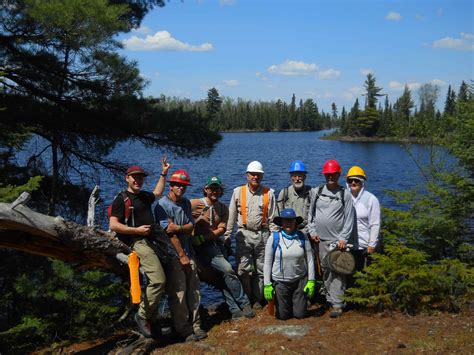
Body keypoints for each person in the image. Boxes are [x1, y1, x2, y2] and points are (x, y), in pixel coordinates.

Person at [109, 158, 169, 338]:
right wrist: (136, 230)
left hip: (153, 241)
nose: (137, 180)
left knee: (165, 277)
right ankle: (142, 316)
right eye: (134, 177)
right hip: (137, 242)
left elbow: (157, 192)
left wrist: (163, 173)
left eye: (140, 177)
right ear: (127, 178)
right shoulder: (121, 199)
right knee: (158, 280)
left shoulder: (143, 196)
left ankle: (153, 321)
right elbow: (113, 225)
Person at [191, 176, 255, 320]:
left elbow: (221, 230)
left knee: (226, 271)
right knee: (223, 274)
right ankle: (239, 306)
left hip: (210, 246)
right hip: (194, 248)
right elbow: (180, 212)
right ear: (205, 190)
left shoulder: (222, 208)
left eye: (217, 189)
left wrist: (203, 238)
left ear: (221, 191)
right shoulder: (194, 204)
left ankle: (240, 306)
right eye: (211, 188)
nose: (214, 191)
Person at [153, 169, 206, 342]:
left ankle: (196, 324)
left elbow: (190, 227)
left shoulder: (185, 203)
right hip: (174, 256)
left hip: (189, 252)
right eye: (177, 185)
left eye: (184, 185)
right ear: (171, 185)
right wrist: (182, 255)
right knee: (179, 292)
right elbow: (170, 233)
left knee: (194, 290)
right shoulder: (162, 206)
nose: (181, 188)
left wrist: (180, 227)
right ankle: (183, 329)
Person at [225, 160, 278, 309]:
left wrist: (274, 238)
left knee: (262, 270)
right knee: (243, 270)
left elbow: (273, 219)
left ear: (262, 176)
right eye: (252, 174)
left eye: (258, 174)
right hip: (243, 235)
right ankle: (246, 300)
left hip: (263, 235)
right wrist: (227, 236)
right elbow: (231, 216)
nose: (255, 177)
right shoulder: (238, 192)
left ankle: (257, 299)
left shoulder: (269, 193)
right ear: (247, 175)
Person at [307, 159, 356, 318]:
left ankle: (338, 304)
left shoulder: (345, 194)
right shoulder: (317, 192)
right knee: (326, 271)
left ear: (339, 174)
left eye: (333, 174)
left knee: (338, 271)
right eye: (328, 174)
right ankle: (330, 298)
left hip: (337, 241)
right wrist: (312, 231)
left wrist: (343, 238)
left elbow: (349, 219)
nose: (330, 177)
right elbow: (311, 217)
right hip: (321, 240)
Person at [263, 208, 315, 320]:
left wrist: (311, 281)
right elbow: (267, 263)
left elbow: (310, 260)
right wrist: (267, 284)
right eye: (285, 220)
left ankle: (298, 303)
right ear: (281, 222)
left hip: (299, 281)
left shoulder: (303, 237)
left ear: (295, 222)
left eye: (291, 220)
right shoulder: (274, 238)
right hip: (280, 282)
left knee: (300, 315)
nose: (288, 223)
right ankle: (287, 304)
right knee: (283, 316)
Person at [346, 166, 381, 271]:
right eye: (350, 180)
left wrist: (372, 244)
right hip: (349, 246)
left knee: (365, 275)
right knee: (350, 276)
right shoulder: (345, 198)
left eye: (356, 180)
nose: (353, 183)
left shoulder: (371, 199)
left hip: (365, 247)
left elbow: (375, 224)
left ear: (362, 182)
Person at [277, 160, 312, 235]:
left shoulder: (311, 193)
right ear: (291, 177)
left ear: (305, 177)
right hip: (287, 232)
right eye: (294, 176)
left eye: (300, 176)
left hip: (306, 231)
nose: (297, 179)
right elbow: (278, 214)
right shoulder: (284, 193)